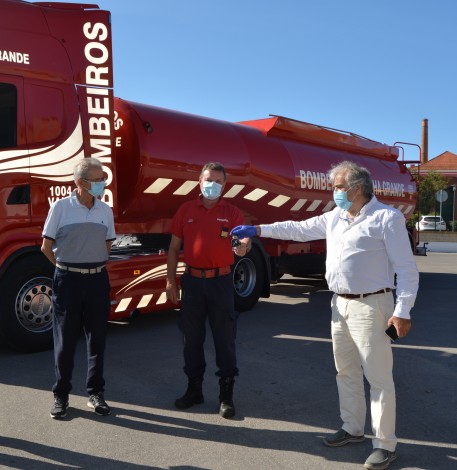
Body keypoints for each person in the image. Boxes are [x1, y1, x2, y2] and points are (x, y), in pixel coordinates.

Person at [231, 160, 419, 470]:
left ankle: (385, 444)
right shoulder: (336, 217)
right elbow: (298, 229)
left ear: (357, 188)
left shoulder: (387, 218)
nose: (334, 193)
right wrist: (258, 229)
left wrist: (402, 311)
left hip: (372, 306)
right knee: (345, 370)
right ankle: (352, 428)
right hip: (339, 304)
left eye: (338, 187)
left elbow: (407, 270)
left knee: (378, 377)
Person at [166, 162, 248, 419]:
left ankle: (226, 396)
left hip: (220, 283)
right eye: (207, 180)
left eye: (217, 181)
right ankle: (194, 390)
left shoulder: (232, 212)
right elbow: (173, 248)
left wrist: (243, 247)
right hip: (192, 282)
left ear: (224, 186)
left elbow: (242, 239)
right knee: (191, 339)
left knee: (224, 339)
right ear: (199, 182)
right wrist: (170, 282)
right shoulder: (186, 210)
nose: (212, 185)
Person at [42, 157, 116, 419]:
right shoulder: (61, 208)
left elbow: (107, 245)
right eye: (98, 179)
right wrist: (65, 267)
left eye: (104, 179)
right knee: (65, 341)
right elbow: (46, 247)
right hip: (68, 280)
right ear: (80, 182)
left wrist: (89, 263)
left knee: (97, 339)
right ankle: (61, 396)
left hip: (97, 279)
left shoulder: (105, 211)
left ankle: (95, 393)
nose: (103, 183)